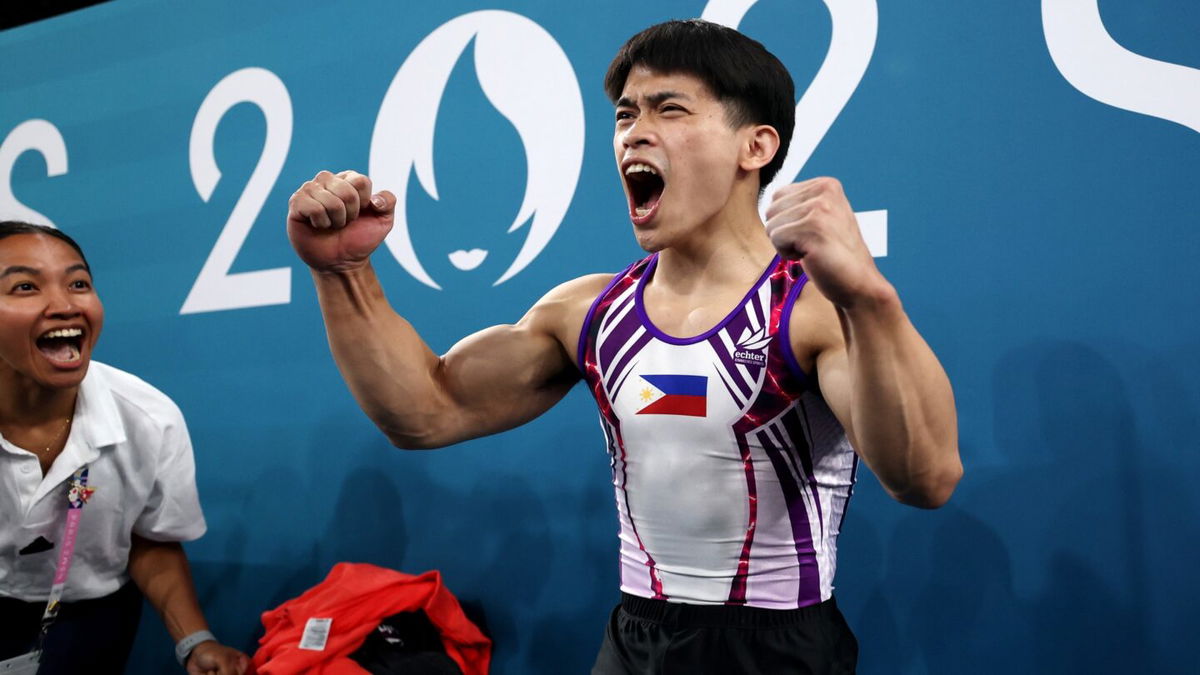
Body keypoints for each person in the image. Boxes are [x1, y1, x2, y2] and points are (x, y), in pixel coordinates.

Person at [286, 19, 961, 674]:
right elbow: (425, 411)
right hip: (636, 640)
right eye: (625, 114)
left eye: (669, 109)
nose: (635, 132)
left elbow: (926, 477)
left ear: (754, 147)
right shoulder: (589, 311)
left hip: (777, 648)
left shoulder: (810, 310)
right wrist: (342, 274)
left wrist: (868, 300)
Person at [0, 221, 248, 674]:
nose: (64, 305)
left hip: (89, 622)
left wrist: (195, 641)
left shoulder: (149, 419)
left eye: (78, 283)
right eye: (24, 287)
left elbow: (149, 541)